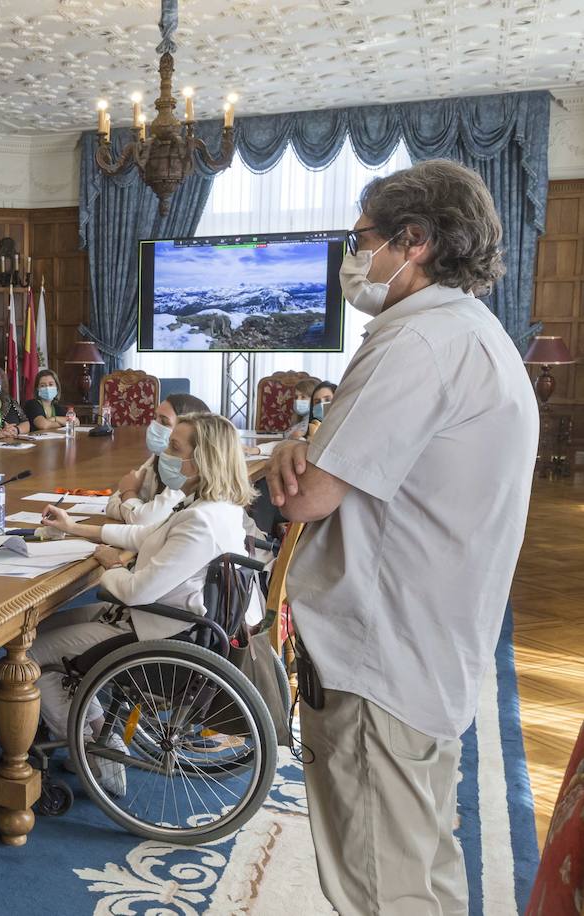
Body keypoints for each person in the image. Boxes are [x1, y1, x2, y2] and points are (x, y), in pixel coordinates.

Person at [265, 160, 537, 916]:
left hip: (380, 654)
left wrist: (299, 454)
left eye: (362, 239)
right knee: (422, 863)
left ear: (412, 241)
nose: (354, 258)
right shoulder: (472, 332)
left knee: (381, 888)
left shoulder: (413, 345)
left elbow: (308, 495)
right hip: (431, 646)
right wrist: (308, 444)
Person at [33, 413, 261, 792]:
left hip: (157, 630)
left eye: (175, 448)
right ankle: (91, 724)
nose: (165, 456)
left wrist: (106, 564)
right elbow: (144, 535)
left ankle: (94, 751)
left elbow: (135, 590)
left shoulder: (199, 521)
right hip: (169, 620)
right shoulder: (214, 507)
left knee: (29, 657)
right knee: (44, 630)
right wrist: (73, 528)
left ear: (202, 460)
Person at [104, 392, 210, 527]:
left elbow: (142, 519)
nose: (154, 426)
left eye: (164, 422)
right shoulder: (158, 458)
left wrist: (129, 493)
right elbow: (112, 505)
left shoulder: (187, 471)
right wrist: (133, 508)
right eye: (155, 418)